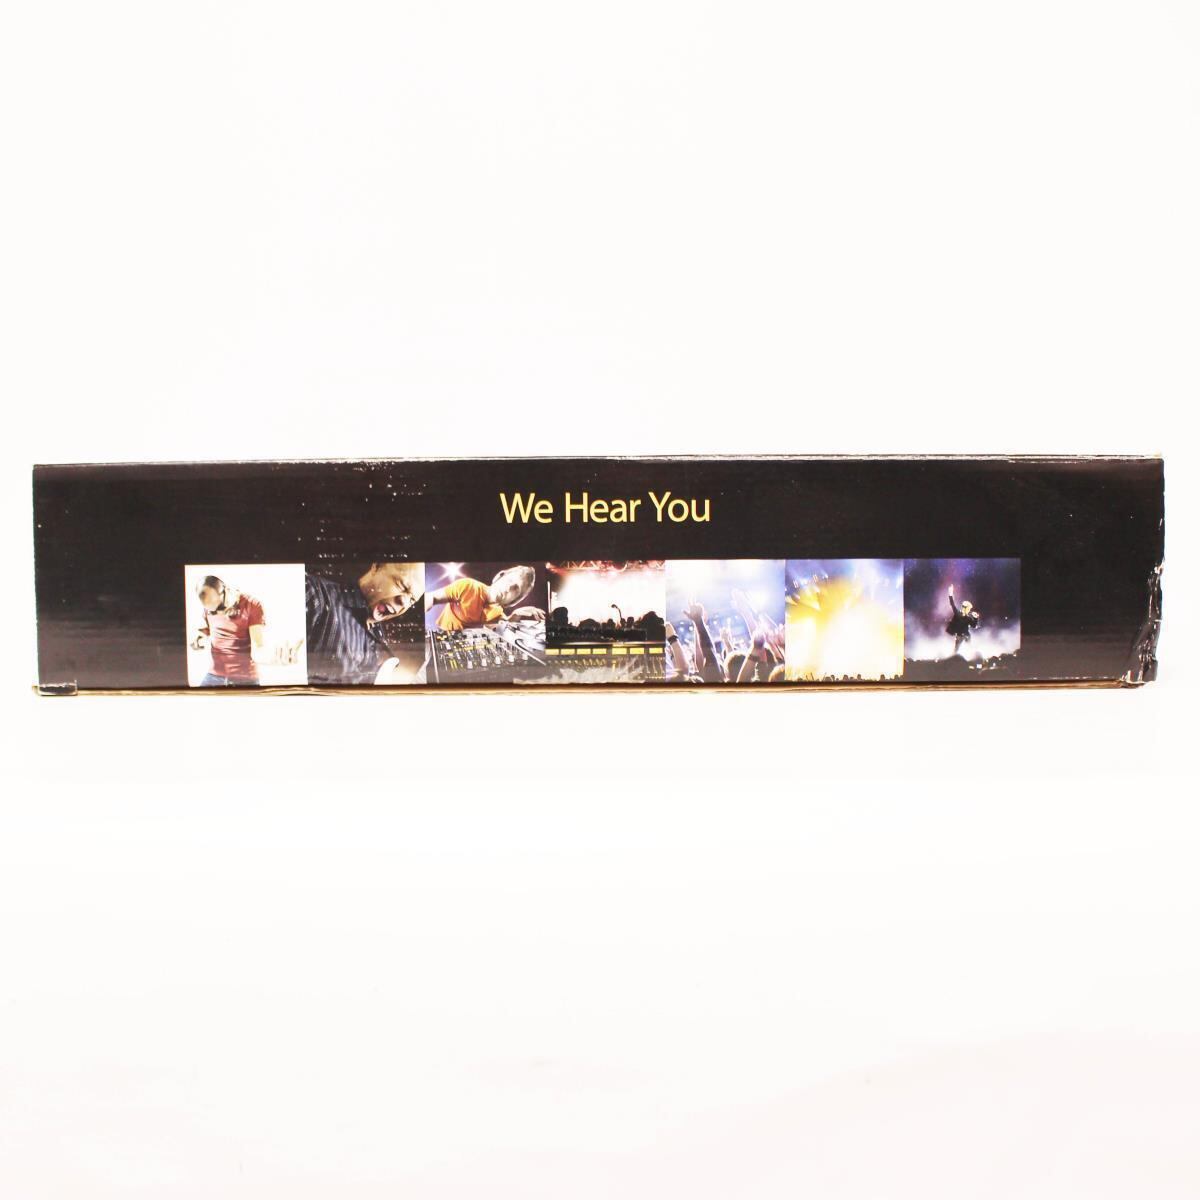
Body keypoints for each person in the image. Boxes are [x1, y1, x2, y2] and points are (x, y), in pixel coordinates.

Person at [190, 575, 300, 686]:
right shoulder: (210, 607)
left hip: (244, 679)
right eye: (212, 610)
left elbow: (258, 650)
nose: (218, 612)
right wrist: (197, 640)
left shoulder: (252, 605)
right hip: (214, 676)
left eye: (220, 607)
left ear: (226, 590)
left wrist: (274, 657)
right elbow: (203, 631)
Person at [425, 565, 544, 630]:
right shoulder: (467, 585)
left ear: (515, 600)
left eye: (516, 589)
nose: (508, 588)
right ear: (500, 576)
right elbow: (431, 596)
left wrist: (515, 614)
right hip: (441, 636)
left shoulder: (498, 612)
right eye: (509, 580)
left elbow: (506, 624)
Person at [946, 583, 981, 655]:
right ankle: (954, 658)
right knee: (956, 651)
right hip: (959, 636)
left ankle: (971, 656)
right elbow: (952, 604)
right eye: (968, 608)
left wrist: (976, 618)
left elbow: (974, 626)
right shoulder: (958, 614)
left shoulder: (968, 618)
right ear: (965, 608)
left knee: (969, 648)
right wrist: (950, 594)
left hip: (966, 635)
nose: (969, 610)